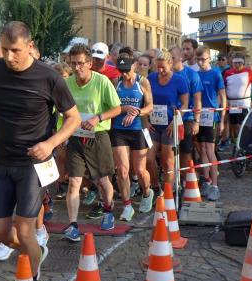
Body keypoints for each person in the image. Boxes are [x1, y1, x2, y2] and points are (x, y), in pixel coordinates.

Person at [0, 22, 80, 281]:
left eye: (15, 50)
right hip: (1, 160)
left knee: (24, 229)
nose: (9, 57)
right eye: (5, 50)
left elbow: (73, 118)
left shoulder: (49, 77)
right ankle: (35, 253)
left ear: (30, 46)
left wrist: (51, 143)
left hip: (34, 163)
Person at [63, 43, 122, 239]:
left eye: (80, 63)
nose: (76, 67)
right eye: (73, 63)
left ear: (89, 63)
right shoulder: (67, 83)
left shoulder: (102, 81)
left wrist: (98, 117)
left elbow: (117, 108)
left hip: (97, 136)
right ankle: (72, 225)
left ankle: (108, 210)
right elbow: (63, 112)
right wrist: (61, 134)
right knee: (74, 182)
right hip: (75, 137)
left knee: (102, 180)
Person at [111, 53, 154, 220]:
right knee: (122, 170)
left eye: (127, 70)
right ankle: (127, 205)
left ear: (134, 66)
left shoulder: (142, 82)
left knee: (140, 170)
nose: (124, 74)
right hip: (119, 129)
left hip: (138, 129)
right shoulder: (116, 82)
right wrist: (124, 109)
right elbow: (112, 107)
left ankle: (147, 192)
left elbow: (150, 107)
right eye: (121, 70)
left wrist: (137, 112)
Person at [147, 48, 189, 192]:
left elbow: (184, 104)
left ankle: (168, 192)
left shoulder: (179, 80)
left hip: (170, 125)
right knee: (148, 159)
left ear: (170, 64)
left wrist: (176, 120)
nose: (160, 71)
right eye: (157, 67)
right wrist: (146, 120)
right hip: (153, 124)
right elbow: (145, 100)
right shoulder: (151, 78)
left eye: (163, 67)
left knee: (168, 162)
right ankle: (155, 187)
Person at [195, 46, 226, 200]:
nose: (201, 62)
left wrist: (222, 120)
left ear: (209, 59)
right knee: (201, 150)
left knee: (209, 150)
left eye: (204, 59)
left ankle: (215, 186)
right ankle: (206, 181)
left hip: (211, 116)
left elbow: (223, 97)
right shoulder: (195, 74)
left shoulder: (215, 74)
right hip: (198, 116)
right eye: (198, 60)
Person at [170, 46, 201, 180]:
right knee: (169, 151)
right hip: (168, 117)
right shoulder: (165, 74)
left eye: (173, 58)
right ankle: (173, 179)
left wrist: (196, 121)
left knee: (185, 150)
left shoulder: (192, 75)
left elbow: (198, 99)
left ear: (181, 58)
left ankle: (188, 179)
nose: (170, 61)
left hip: (187, 117)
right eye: (169, 58)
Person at [223, 54, 252, 150]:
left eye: (239, 63)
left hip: (244, 103)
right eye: (235, 63)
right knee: (234, 126)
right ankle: (238, 144)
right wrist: (225, 100)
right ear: (232, 63)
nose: (237, 65)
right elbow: (224, 88)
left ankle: (249, 141)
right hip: (232, 103)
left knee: (245, 124)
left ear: (243, 63)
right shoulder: (227, 73)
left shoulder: (249, 72)